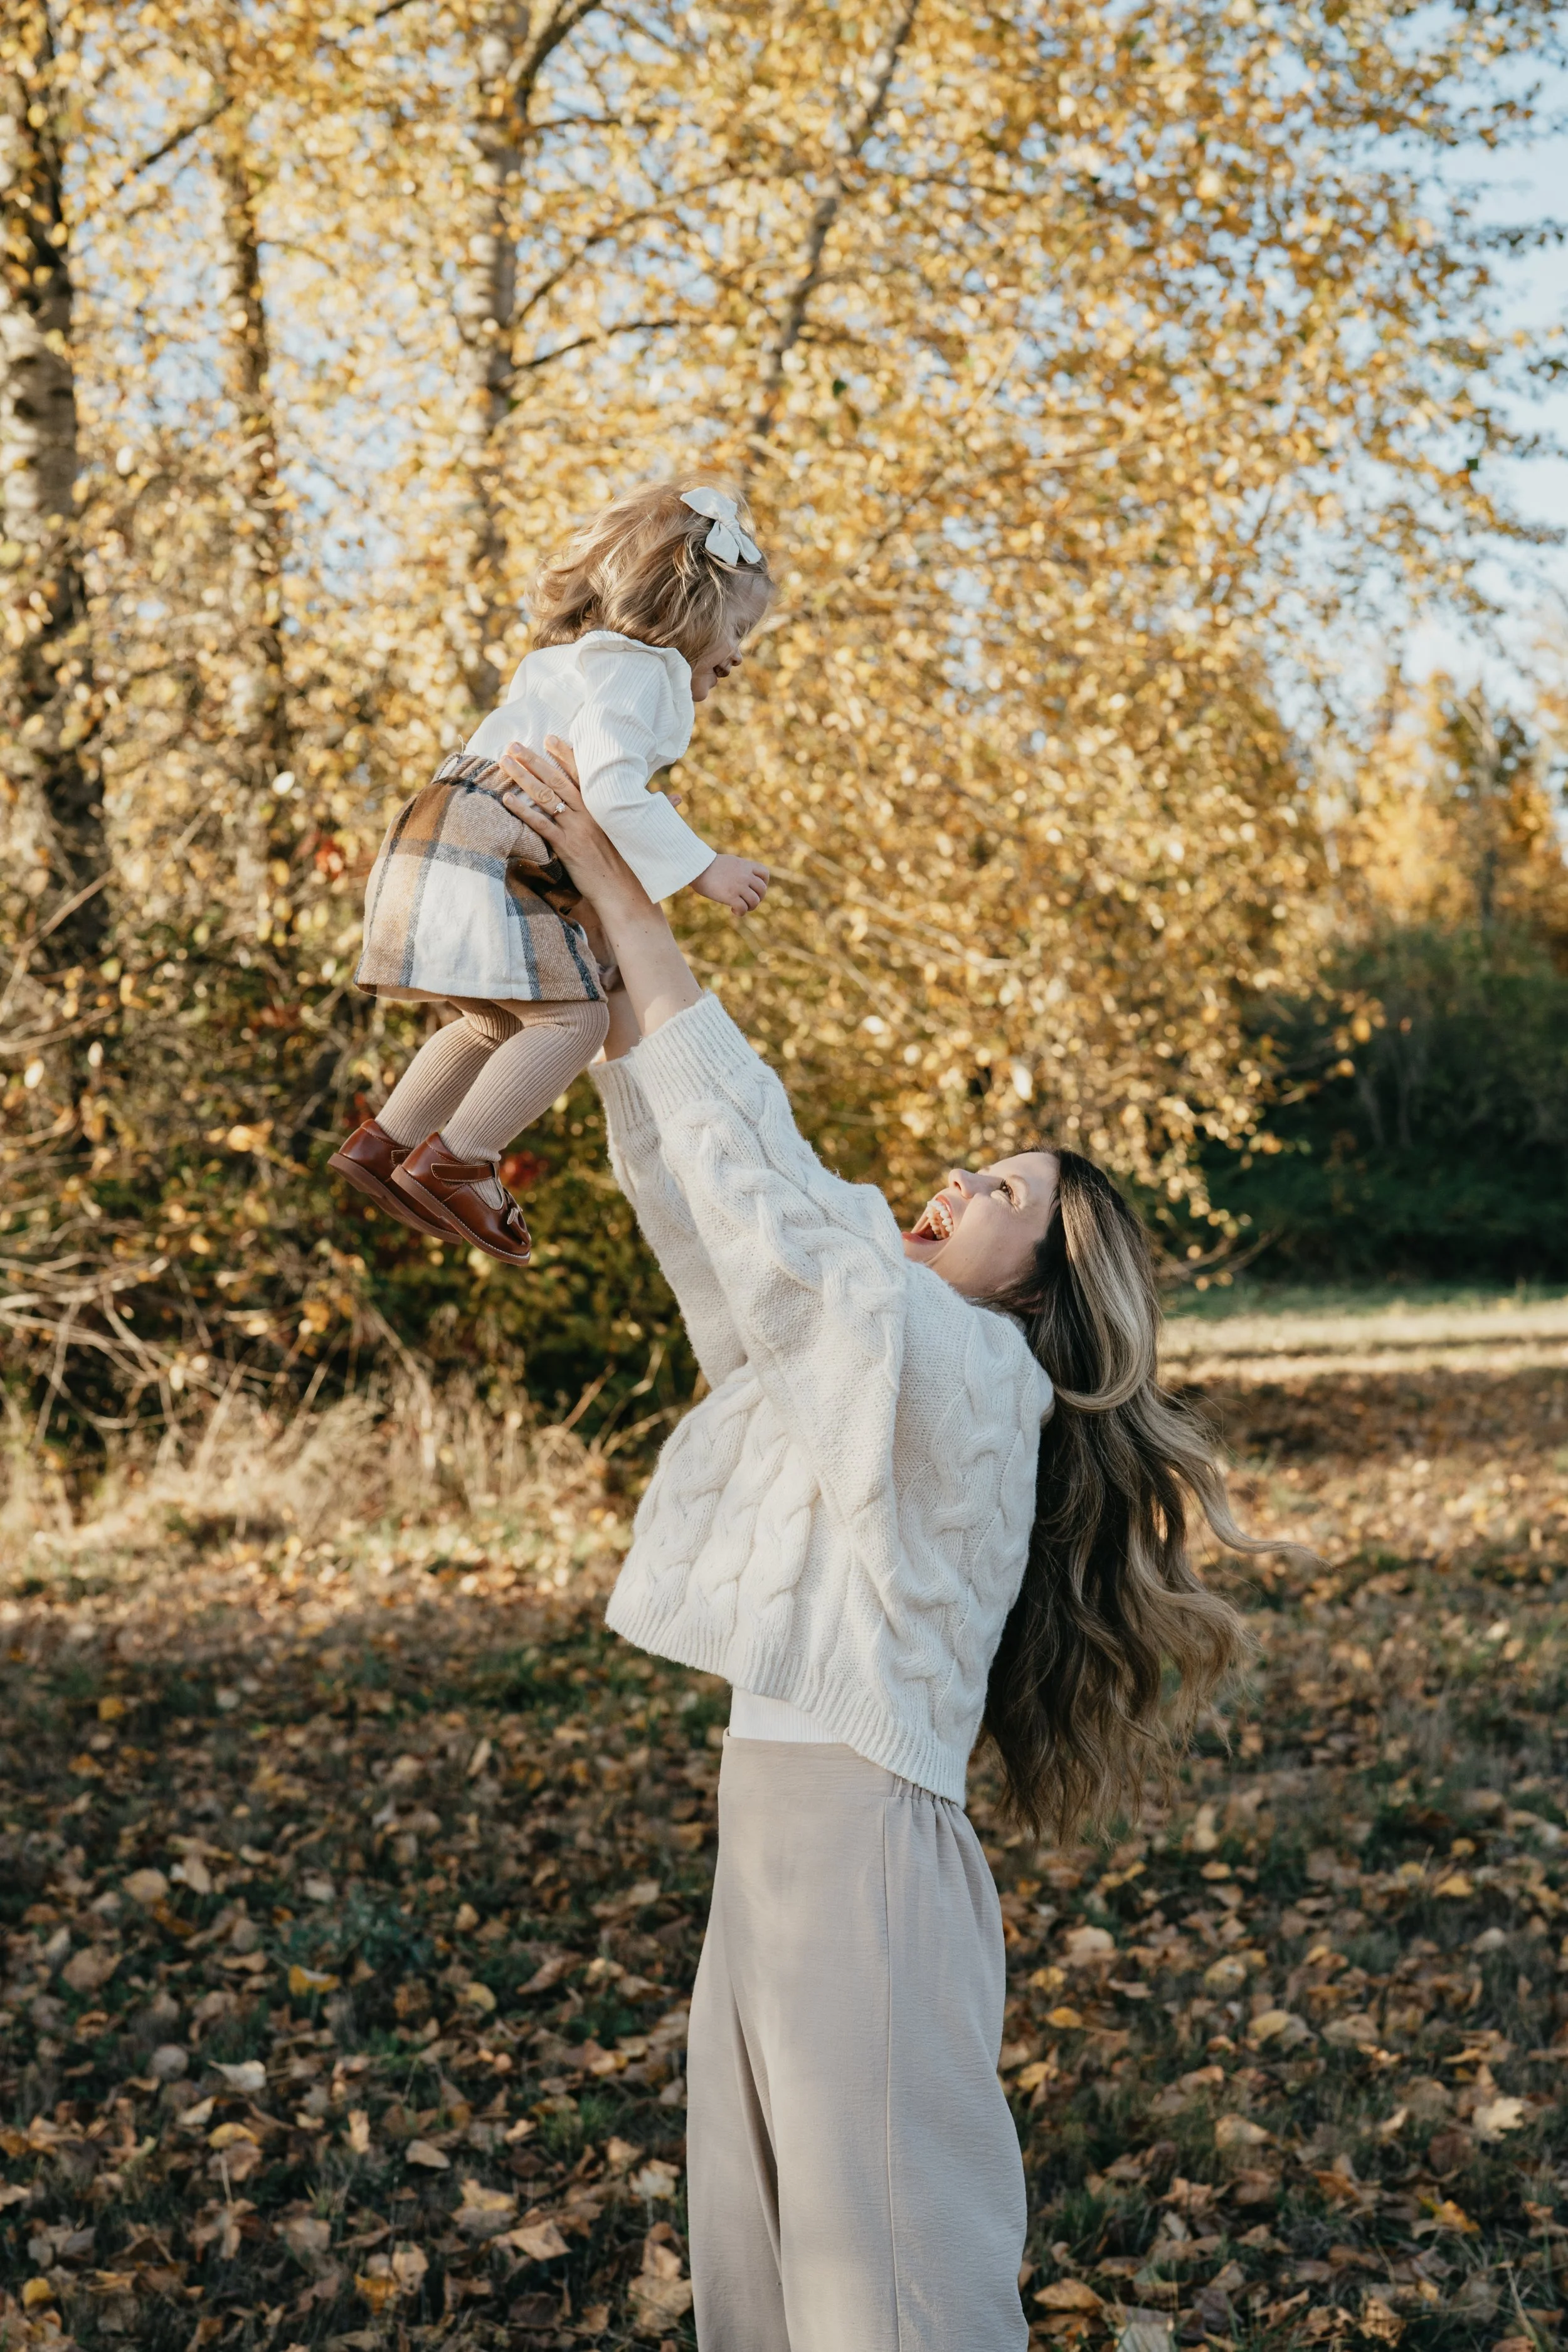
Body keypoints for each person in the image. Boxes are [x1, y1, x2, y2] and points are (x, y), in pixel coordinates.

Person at [500, 734, 1265, 2352]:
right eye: (969, 1165)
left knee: (896, 2277)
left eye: (993, 1190)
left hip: (858, 1853)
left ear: (1038, 1281)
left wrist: (631, 892)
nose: (945, 1184)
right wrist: (594, 948)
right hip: (776, 1837)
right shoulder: (888, 1343)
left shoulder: (969, 1372)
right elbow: (727, 1211)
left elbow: (776, 1199)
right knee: (764, 2254)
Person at [329, 480, 773, 1267]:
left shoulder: (570, 663)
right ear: (689, 614)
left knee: (494, 1021)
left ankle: (384, 1142)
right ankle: (460, 1161)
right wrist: (703, 866)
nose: (739, 652)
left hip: (440, 841)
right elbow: (606, 786)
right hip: (483, 853)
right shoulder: (638, 673)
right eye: (737, 630)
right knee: (577, 1022)